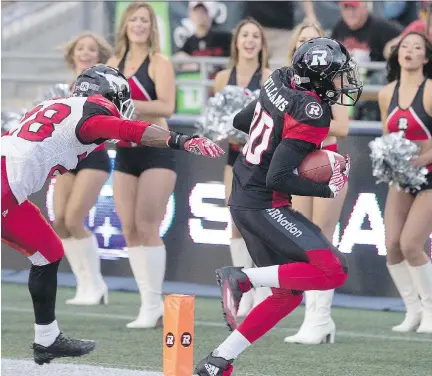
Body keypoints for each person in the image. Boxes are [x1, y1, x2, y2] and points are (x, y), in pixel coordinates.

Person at [1, 64, 222, 365]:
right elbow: (130, 130)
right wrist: (183, 140)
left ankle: (47, 339)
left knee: (49, 251)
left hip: (10, 187)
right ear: (112, 95)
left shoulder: (55, 104)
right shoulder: (91, 116)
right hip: (6, 183)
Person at [194, 37, 363, 376]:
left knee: (288, 294)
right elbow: (278, 176)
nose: (343, 83)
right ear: (318, 76)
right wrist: (325, 187)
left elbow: (243, 121)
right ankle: (242, 277)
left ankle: (218, 361)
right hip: (263, 202)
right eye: (337, 75)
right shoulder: (313, 113)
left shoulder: (280, 77)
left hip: (243, 196)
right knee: (334, 270)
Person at [106, 2, 177, 329]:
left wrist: (128, 106)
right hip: (124, 151)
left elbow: (167, 105)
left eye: (144, 20)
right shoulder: (112, 63)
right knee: (129, 228)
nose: (138, 25)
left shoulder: (159, 62)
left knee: (148, 225)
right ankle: (147, 302)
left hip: (156, 148)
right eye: (133, 19)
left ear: (152, 26)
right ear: (125, 25)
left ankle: (155, 301)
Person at [283, 21, 350, 345]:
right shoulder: (288, 84)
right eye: (303, 40)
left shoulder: (331, 84)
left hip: (326, 164)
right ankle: (315, 319)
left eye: (314, 40)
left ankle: (320, 319)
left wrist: (307, 124)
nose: (309, 46)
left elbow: (343, 127)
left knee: (322, 238)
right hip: (298, 165)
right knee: (305, 242)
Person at [213, 18, 272, 317]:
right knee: (234, 219)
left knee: (257, 224)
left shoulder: (270, 77)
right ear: (236, 42)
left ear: (262, 44)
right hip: (234, 157)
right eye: (244, 35)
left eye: (255, 36)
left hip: (261, 158)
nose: (250, 41)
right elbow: (216, 119)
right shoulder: (223, 77)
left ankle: (259, 288)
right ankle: (240, 287)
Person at [52, 32, 113, 306]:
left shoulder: (105, 84)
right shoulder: (60, 87)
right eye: (81, 49)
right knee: (60, 222)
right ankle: (83, 284)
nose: (86, 53)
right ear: (72, 54)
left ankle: (97, 284)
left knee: (75, 219)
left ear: (99, 56)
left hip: (93, 156)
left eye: (91, 50)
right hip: (66, 158)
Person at [378, 31, 432, 333]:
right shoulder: (387, 93)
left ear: (425, 57)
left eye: (417, 47)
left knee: (412, 244)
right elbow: (386, 137)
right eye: (404, 47)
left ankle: (431, 308)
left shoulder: (430, 90)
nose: (409, 51)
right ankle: (413, 310)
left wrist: (424, 158)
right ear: (397, 55)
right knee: (393, 245)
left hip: (430, 175)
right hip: (400, 177)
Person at [331, 1, 402, 62]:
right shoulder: (339, 26)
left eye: (354, 8)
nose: (350, 13)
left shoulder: (381, 27)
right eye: (346, 8)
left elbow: (406, 35)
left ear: (365, 7)